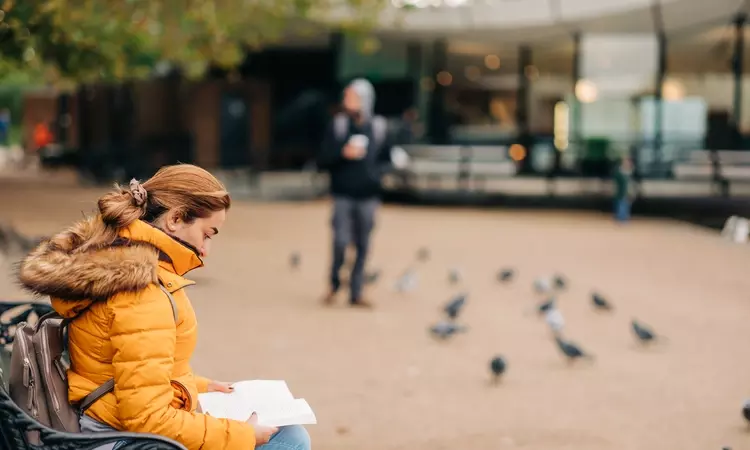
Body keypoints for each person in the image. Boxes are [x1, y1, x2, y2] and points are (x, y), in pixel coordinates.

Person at [17, 164, 311, 450]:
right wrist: (243, 435)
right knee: (289, 440)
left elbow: (127, 369)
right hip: (121, 438)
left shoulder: (117, 261)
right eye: (207, 234)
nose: (206, 251)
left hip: (108, 421)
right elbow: (147, 419)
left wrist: (199, 386)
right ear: (175, 219)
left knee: (285, 433)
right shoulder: (142, 291)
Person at [317, 79, 393, 308]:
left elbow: (387, 160)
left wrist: (376, 175)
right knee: (340, 242)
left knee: (363, 245)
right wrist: (342, 153)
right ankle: (333, 284)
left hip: (368, 196)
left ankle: (356, 291)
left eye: (351, 96)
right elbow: (322, 159)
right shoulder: (338, 125)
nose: (346, 101)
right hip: (342, 194)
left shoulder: (379, 127)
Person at [613, 157, 633, 223]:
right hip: (621, 192)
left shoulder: (628, 173)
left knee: (626, 205)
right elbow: (617, 182)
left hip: (627, 192)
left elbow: (630, 184)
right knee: (621, 205)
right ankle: (620, 218)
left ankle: (624, 218)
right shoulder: (620, 172)